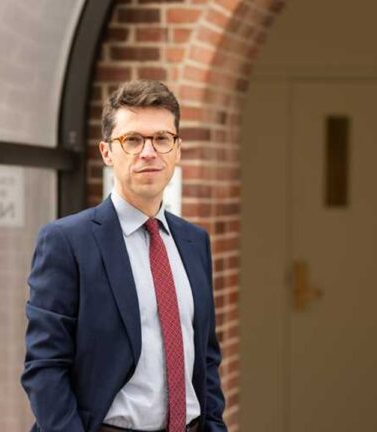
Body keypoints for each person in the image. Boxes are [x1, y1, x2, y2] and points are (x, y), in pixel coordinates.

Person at [21, 79, 227, 432]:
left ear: (177, 150)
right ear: (107, 152)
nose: (149, 152)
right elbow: (45, 367)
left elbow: (206, 359)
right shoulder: (67, 242)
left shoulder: (194, 242)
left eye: (162, 138)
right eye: (132, 140)